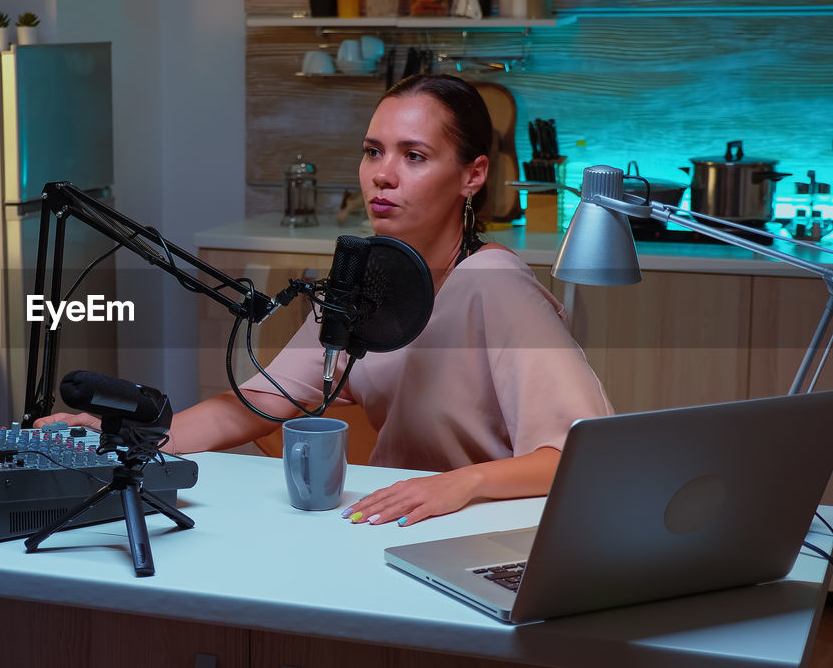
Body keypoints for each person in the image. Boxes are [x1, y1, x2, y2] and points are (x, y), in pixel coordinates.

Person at [38, 74, 612, 528]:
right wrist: (115, 437)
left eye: (414, 156)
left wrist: (463, 482)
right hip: (390, 523)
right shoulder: (362, 285)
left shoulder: (495, 283)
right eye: (372, 151)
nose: (382, 176)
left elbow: (575, 458)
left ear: (473, 175)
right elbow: (256, 403)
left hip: (478, 529)